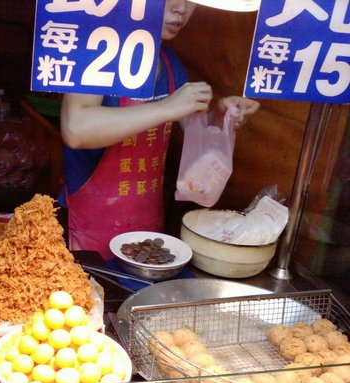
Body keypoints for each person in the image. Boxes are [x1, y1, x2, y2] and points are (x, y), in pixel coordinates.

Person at [59, 0, 260, 260]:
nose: (181, 9)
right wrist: (167, 107)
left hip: (147, 223)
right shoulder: (98, 51)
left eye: (191, 1)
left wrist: (219, 117)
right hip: (90, 228)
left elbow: (192, 126)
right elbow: (76, 129)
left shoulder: (168, 62)